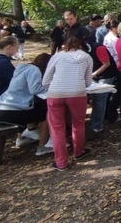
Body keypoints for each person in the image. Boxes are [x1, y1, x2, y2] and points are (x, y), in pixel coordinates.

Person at [43, 37, 93, 171]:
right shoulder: (87, 57)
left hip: (56, 93)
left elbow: (45, 80)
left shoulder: (57, 56)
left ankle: (61, 162)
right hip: (77, 93)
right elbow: (88, 82)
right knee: (78, 124)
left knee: (57, 128)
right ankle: (78, 151)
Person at [0, 53, 52, 155]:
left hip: (2, 108)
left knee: (35, 107)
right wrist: (50, 88)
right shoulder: (35, 70)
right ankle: (42, 146)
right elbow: (34, 89)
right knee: (46, 113)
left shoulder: (23, 69)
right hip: (12, 112)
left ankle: (24, 136)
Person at [85, 40, 118, 133]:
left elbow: (106, 63)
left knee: (100, 98)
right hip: (95, 75)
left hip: (106, 75)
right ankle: (94, 121)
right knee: (95, 99)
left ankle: (97, 126)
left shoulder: (99, 48)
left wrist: (93, 74)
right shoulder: (82, 51)